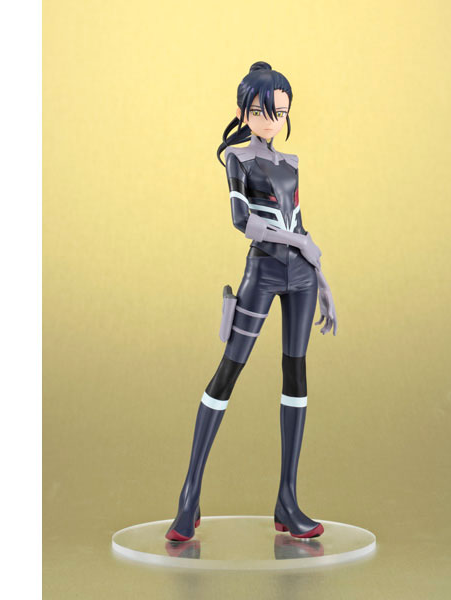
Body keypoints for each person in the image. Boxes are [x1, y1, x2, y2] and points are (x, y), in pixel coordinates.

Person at [165, 61, 338, 541]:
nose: (271, 121)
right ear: (243, 111)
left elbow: (296, 221)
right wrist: (301, 244)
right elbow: (245, 221)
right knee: (228, 372)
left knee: (296, 374)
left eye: (279, 113)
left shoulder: (292, 163)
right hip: (262, 271)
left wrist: (322, 280)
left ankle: (287, 500)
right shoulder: (237, 159)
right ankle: (189, 496)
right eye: (261, 112)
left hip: (302, 276)